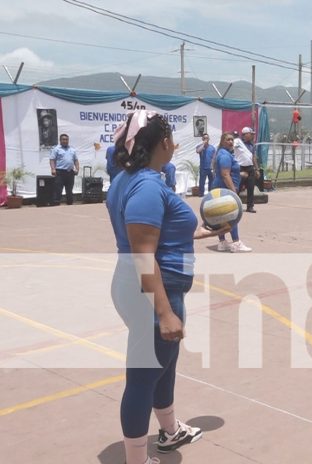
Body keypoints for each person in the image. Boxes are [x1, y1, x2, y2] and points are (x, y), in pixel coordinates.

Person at [106, 110, 227, 464]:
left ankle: (171, 431)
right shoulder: (145, 185)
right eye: (172, 138)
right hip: (151, 293)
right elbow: (143, 253)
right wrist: (164, 312)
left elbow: (155, 233)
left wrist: (200, 232)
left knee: (164, 365)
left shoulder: (132, 179)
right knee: (144, 376)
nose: (174, 144)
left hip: (152, 288)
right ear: (163, 143)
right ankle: (136, 459)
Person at [211, 132, 252, 252]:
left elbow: (225, 172)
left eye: (232, 140)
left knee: (221, 216)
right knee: (233, 215)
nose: (230, 142)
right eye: (228, 139)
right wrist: (233, 191)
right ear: (222, 141)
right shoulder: (224, 155)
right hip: (225, 190)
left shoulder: (224, 154)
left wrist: (239, 174)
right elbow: (225, 174)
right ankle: (236, 243)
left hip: (220, 189)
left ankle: (222, 242)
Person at [234, 127, 259, 213]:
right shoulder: (237, 143)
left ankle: (250, 206)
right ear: (245, 134)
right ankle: (234, 206)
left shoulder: (252, 144)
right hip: (240, 168)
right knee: (238, 188)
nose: (252, 136)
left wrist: (257, 169)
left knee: (251, 188)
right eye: (251, 134)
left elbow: (253, 157)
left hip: (250, 168)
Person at [49, 133, 79, 205]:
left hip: (70, 173)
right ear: (60, 140)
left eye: (66, 139)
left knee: (69, 191)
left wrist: (77, 169)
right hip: (60, 173)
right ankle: (56, 205)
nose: (65, 141)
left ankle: (69, 204)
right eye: (63, 139)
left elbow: (76, 160)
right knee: (58, 190)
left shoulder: (72, 150)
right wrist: (53, 169)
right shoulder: (56, 149)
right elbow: (52, 160)